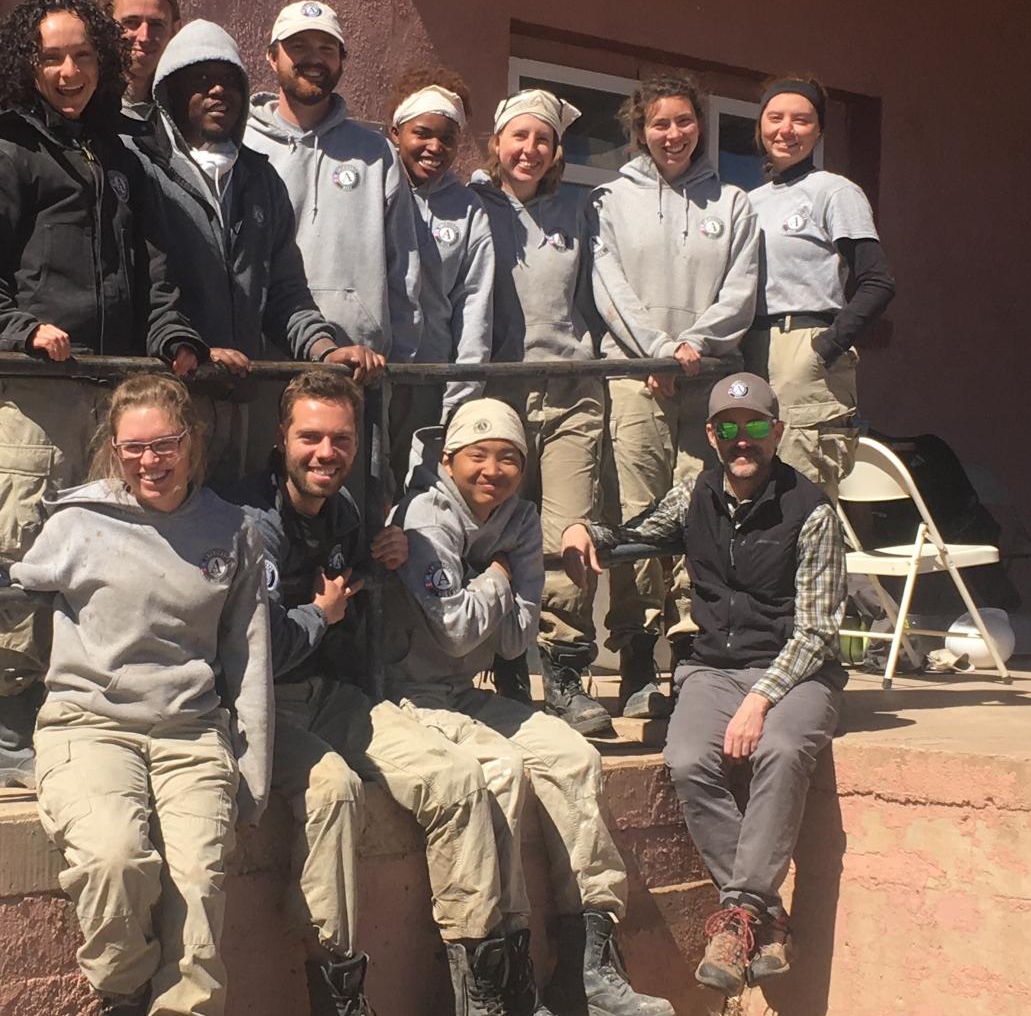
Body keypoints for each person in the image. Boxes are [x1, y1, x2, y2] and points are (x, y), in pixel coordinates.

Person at [0, 374, 271, 1016]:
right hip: (89, 725)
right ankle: (122, 996)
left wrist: (254, 772)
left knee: (200, 884)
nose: (149, 461)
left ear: (192, 441)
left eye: (164, 444)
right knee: (114, 861)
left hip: (190, 731)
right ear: (113, 450)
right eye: (133, 449)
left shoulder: (232, 529)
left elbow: (249, 657)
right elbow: (13, 592)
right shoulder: (79, 519)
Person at [0, 0, 206, 790]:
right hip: (31, 393)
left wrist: (173, 338)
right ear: (26, 63)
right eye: (51, 57)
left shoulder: (115, 156)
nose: (70, 70)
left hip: (105, 396)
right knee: (25, 555)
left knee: (78, 566)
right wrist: (19, 330)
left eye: (83, 55)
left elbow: (155, 274)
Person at [225, 370, 513, 1016]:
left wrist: (384, 553)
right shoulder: (251, 520)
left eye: (340, 440)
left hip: (332, 697)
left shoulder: (344, 510)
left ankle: (482, 989)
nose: (326, 452)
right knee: (335, 788)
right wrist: (320, 617)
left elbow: (355, 583)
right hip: (260, 709)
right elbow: (256, 649)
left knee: (457, 778)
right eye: (311, 437)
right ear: (281, 438)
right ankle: (341, 992)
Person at [386, 399, 675, 1016]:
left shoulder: (518, 519)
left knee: (573, 758)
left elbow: (518, 642)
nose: (493, 469)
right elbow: (461, 631)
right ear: (448, 458)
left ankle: (588, 968)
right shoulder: (425, 518)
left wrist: (484, 592)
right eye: (478, 455)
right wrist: (496, 579)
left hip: (465, 692)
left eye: (509, 458)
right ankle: (513, 977)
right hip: (408, 695)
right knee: (501, 773)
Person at [562, 372, 845, 996]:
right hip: (714, 666)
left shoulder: (813, 510)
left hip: (795, 671)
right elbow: (638, 530)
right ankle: (762, 917)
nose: (742, 441)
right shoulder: (695, 494)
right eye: (728, 429)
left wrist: (761, 699)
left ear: (777, 431)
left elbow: (820, 630)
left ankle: (736, 910)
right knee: (688, 758)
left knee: (780, 748)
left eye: (755, 428)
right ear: (713, 435)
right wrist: (588, 532)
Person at [125, 18, 384, 485]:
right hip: (163, 404)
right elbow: (136, 284)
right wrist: (192, 348)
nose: (219, 92)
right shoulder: (140, 171)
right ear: (170, 93)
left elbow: (285, 294)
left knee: (237, 533)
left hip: (241, 403)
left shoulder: (262, 180)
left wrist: (323, 350)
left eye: (230, 83)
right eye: (202, 81)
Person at [592, 73, 759, 716]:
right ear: (641, 130)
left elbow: (741, 292)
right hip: (638, 376)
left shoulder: (733, 204)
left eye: (684, 121)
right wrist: (657, 350)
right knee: (637, 509)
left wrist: (690, 347)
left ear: (701, 125)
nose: (673, 134)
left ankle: (691, 649)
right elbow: (608, 286)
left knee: (704, 508)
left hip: (707, 380)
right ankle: (635, 652)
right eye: (659, 123)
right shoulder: (608, 198)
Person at [469, 89, 612, 737]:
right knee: (498, 532)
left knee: (567, 534)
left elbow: (604, 298)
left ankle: (562, 669)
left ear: (556, 152)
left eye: (543, 140)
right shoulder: (472, 205)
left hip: (571, 392)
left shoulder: (578, 213)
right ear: (498, 142)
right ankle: (505, 665)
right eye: (518, 136)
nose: (530, 149)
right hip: (499, 395)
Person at [243, 0, 422, 363]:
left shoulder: (377, 154)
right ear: (271, 57)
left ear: (342, 60)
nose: (314, 58)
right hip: (261, 364)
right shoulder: (243, 143)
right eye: (298, 47)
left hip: (359, 364)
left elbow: (403, 272)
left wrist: (402, 367)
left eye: (326, 48)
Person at [745, 76, 895, 500]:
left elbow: (877, 281)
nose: (786, 130)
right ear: (760, 127)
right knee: (755, 495)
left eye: (801, 120)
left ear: (819, 131)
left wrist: (825, 348)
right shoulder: (749, 202)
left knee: (801, 494)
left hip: (804, 347)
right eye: (775, 118)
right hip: (751, 350)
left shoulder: (833, 191)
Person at [384, 68, 495, 481]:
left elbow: (474, 302)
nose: (435, 147)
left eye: (448, 138)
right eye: (422, 133)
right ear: (396, 132)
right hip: (373, 371)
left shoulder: (468, 210)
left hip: (432, 383)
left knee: (419, 495)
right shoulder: (372, 189)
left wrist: (462, 390)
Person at [109, 0, 183, 121]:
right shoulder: (83, 105)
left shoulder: (183, 114)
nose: (144, 37)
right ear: (107, 25)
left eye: (156, 24)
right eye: (131, 22)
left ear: (174, 31)